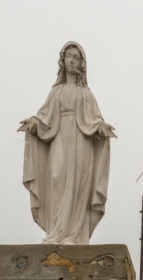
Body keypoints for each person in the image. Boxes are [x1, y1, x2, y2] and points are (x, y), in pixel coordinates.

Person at [18, 42, 116, 245]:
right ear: (62, 61)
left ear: (82, 64)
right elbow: (44, 116)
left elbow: (95, 119)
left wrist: (101, 128)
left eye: (76, 57)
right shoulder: (57, 92)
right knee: (57, 179)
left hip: (82, 141)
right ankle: (56, 232)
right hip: (59, 138)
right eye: (68, 56)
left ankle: (74, 235)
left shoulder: (86, 94)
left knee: (79, 185)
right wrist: (33, 123)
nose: (72, 60)